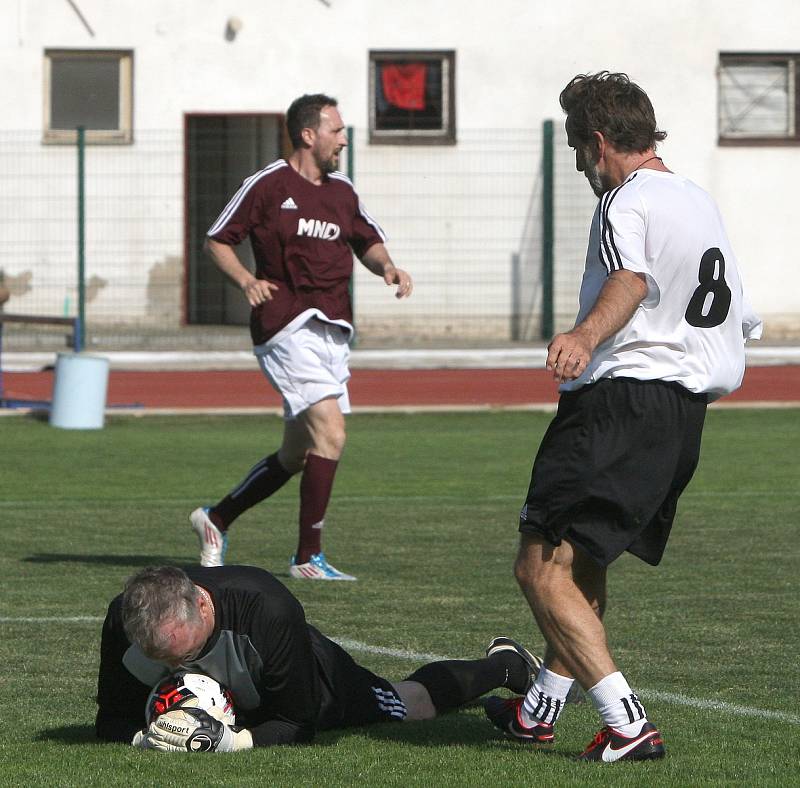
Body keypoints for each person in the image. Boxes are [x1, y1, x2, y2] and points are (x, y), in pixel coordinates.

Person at [483, 72, 762, 762]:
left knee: (538, 565)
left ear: (599, 141)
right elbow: (740, 317)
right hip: (681, 416)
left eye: (580, 150)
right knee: (581, 562)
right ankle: (539, 712)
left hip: (621, 404)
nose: (582, 165)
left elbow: (629, 281)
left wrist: (583, 335)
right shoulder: (696, 200)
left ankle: (627, 724)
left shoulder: (625, 202)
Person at [190, 93, 413, 581]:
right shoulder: (267, 185)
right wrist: (246, 280)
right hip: (285, 325)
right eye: (337, 130)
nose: (344, 138)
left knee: (297, 453)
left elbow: (368, 241)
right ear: (309, 135)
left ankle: (216, 518)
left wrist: (388, 267)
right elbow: (217, 239)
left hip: (333, 329)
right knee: (331, 432)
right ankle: (307, 558)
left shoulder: (342, 191)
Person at [95, 564, 541, 751]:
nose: (179, 673)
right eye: (165, 662)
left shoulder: (267, 610)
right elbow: (111, 717)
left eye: (189, 655)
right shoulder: (124, 620)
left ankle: (507, 664)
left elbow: (296, 723)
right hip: (242, 696)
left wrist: (230, 742)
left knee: (407, 706)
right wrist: (152, 738)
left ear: (204, 606)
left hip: (311, 676)